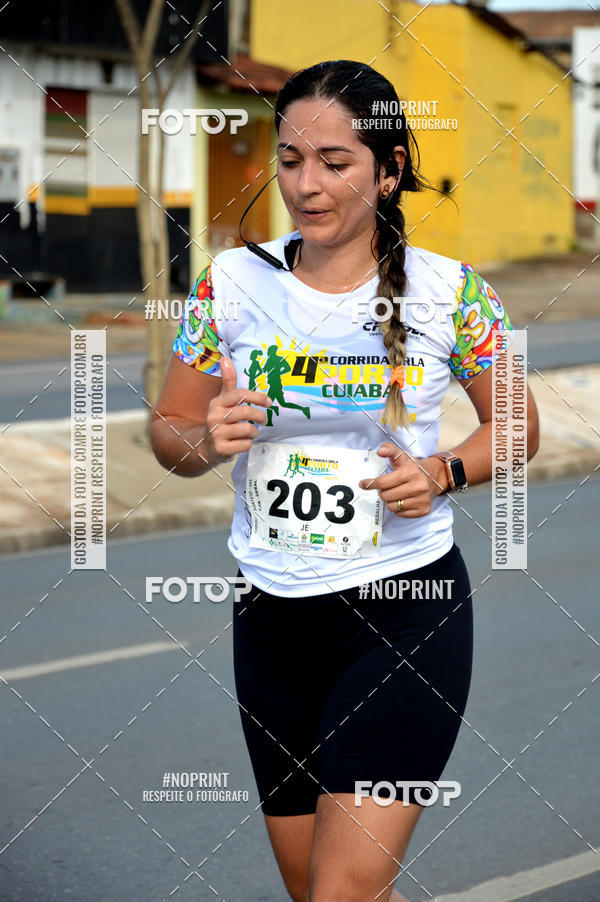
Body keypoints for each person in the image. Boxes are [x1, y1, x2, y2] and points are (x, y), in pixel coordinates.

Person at [150, 60, 539, 902]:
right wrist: (204, 439)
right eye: (291, 160)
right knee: (324, 892)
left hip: (406, 613)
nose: (307, 184)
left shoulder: (452, 293)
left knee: (340, 895)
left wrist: (443, 471)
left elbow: (519, 429)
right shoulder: (232, 283)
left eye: (336, 162)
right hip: (273, 619)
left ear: (390, 169)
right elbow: (170, 435)